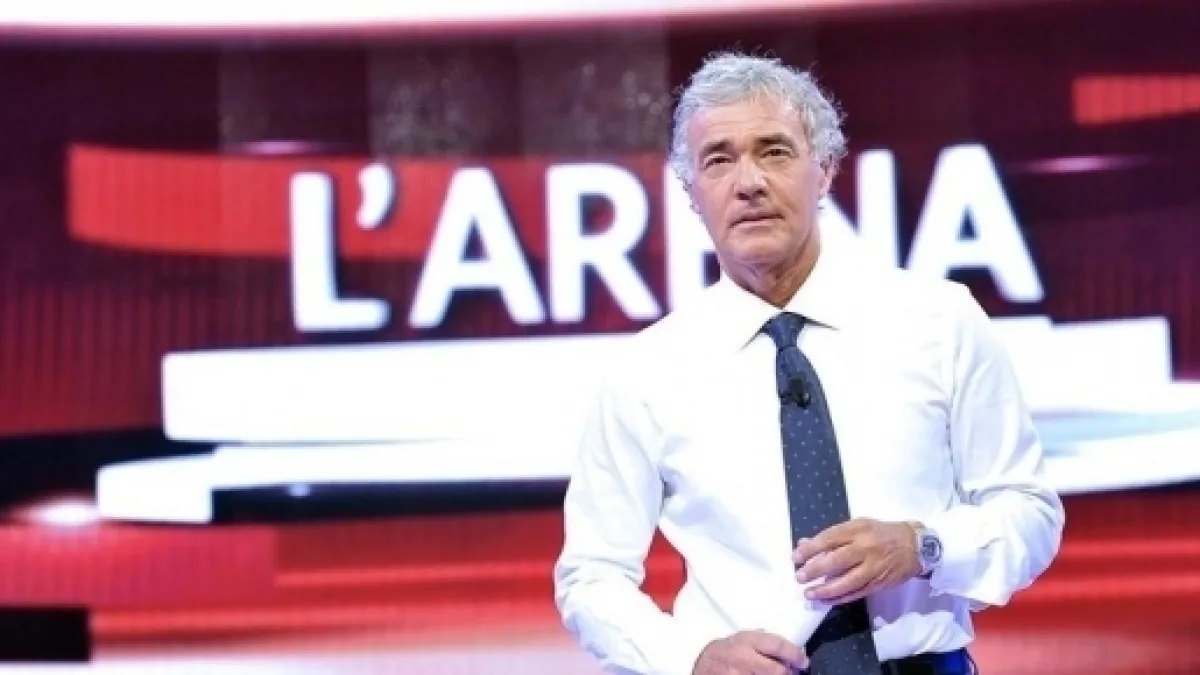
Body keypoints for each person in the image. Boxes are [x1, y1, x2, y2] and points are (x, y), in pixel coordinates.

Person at [552, 50, 1065, 675]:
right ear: (690, 192)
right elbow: (591, 575)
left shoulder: (939, 320)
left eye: (774, 151)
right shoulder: (648, 371)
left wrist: (924, 546)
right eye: (718, 159)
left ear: (824, 170)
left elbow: (1030, 513)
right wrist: (690, 658)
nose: (748, 182)